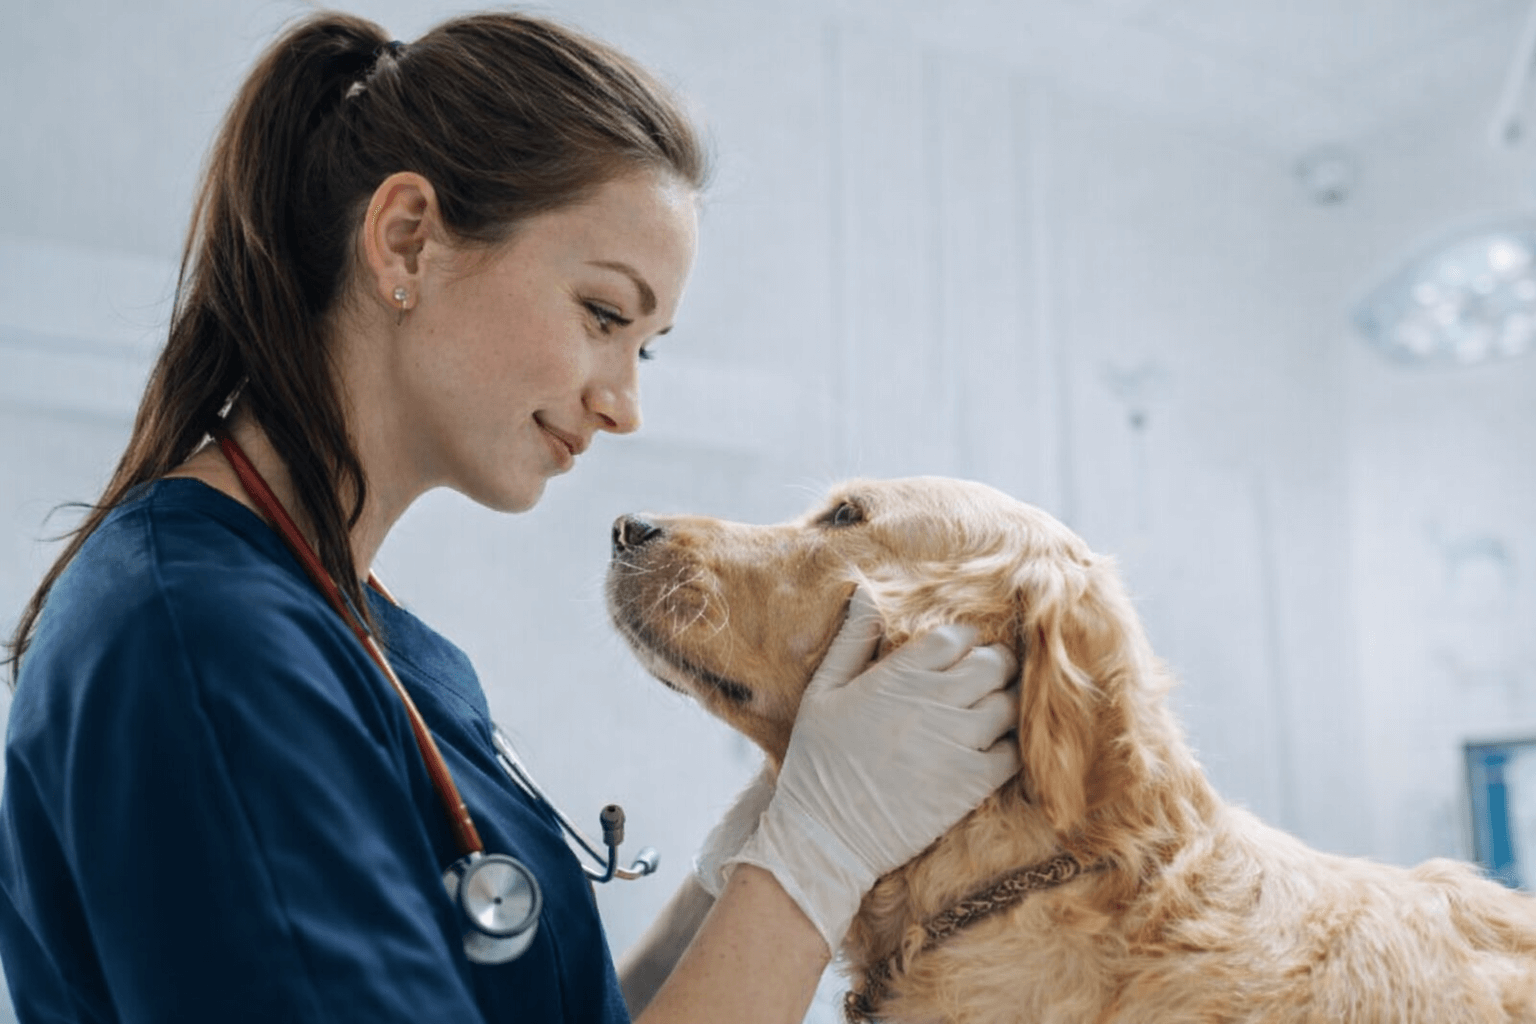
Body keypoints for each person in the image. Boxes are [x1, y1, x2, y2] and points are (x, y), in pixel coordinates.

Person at [0, 12, 1019, 1023]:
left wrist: (754, 854)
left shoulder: (361, 634)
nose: (625, 402)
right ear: (407, 239)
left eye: (646, 347)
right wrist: (813, 859)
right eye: (605, 315)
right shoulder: (207, 648)